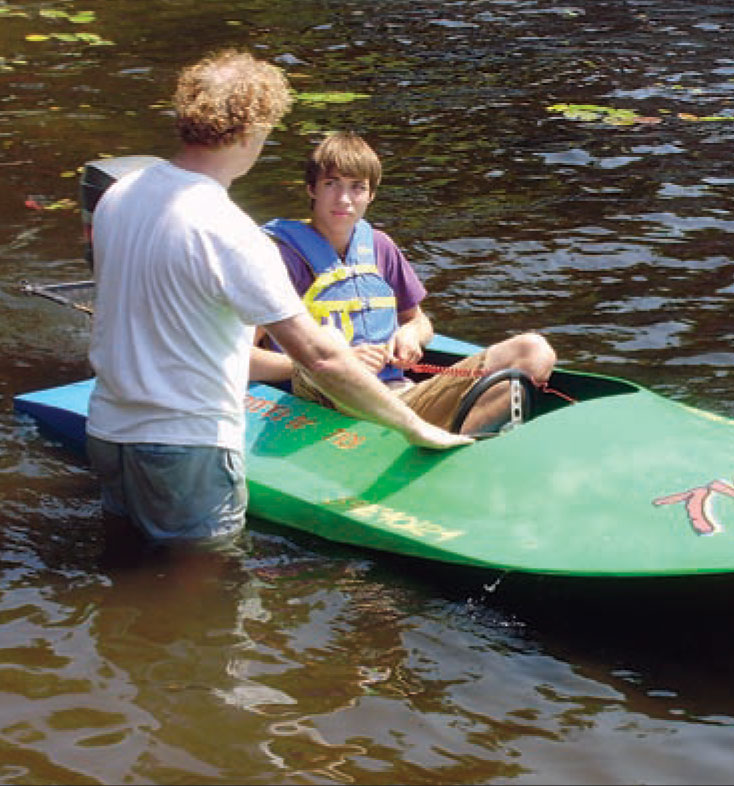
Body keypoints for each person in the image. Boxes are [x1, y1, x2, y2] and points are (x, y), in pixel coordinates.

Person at [86, 50, 471, 545]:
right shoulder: (230, 230)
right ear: (253, 131)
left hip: (109, 429)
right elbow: (320, 357)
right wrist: (415, 428)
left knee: (126, 567)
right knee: (206, 591)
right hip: (186, 445)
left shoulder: (120, 195)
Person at [251, 130, 557, 435]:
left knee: (534, 351)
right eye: (332, 184)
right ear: (311, 189)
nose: (344, 199)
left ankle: (454, 447)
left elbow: (419, 321)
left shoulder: (380, 246)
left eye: (357, 188)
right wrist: (328, 363)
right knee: (330, 344)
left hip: (398, 397)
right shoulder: (278, 257)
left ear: (371, 195)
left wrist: (410, 334)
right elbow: (242, 358)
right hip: (329, 404)